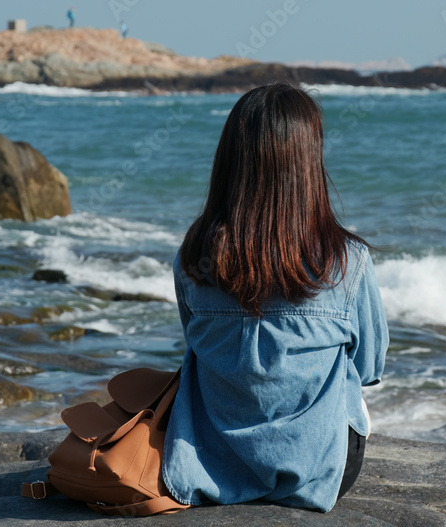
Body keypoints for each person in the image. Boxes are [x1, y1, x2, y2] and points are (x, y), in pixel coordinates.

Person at [162, 83, 389, 513]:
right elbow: (370, 367)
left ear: (230, 161)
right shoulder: (347, 261)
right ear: (308, 163)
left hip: (208, 466)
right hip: (321, 473)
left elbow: (193, 341)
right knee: (348, 383)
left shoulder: (193, 259)